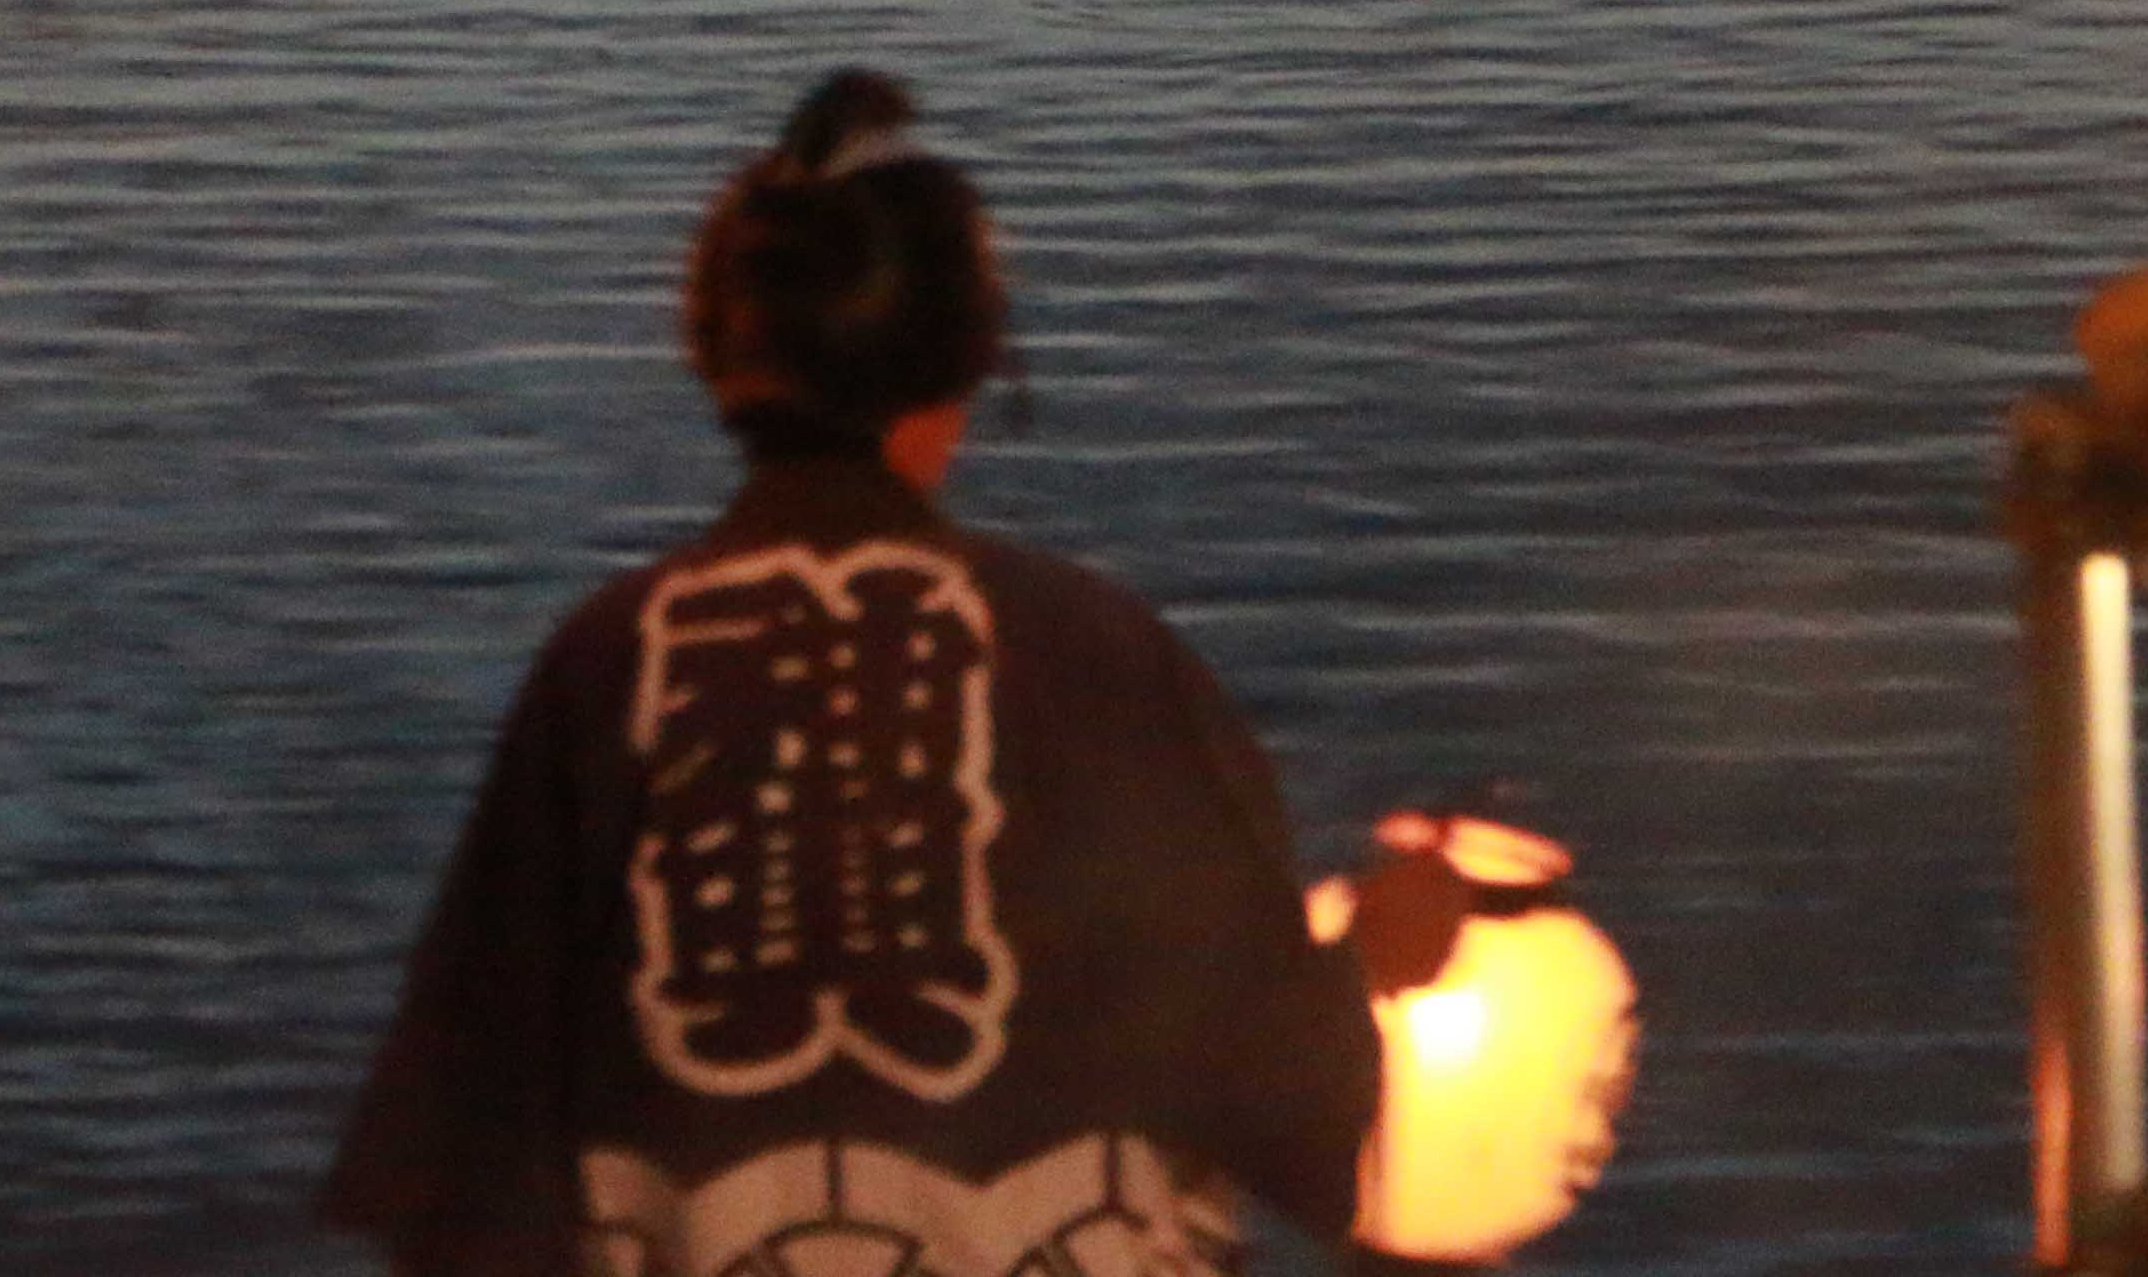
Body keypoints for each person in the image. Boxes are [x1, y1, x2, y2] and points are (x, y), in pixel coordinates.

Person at [325, 69, 1390, 1277]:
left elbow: (466, 1164)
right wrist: (1387, 960)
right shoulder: (1091, 651)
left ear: (719, 352)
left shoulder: (608, 663)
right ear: (971, 361)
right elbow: (1288, 1109)